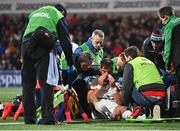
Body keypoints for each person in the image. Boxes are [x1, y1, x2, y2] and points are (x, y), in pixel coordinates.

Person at [21, 4, 73, 124]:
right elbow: (66, 41)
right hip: (43, 46)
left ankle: (29, 118)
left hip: (26, 44)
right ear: (62, 12)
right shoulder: (58, 15)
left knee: (28, 84)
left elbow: (24, 33)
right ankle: (48, 118)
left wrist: (22, 55)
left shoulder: (34, 13)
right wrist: (70, 62)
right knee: (46, 83)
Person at [121, 46, 166, 118]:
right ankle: (156, 106)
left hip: (147, 95)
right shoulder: (149, 61)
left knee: (130, 88)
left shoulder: (130, 64)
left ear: (129, 57)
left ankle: (140, 113)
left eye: (126, 58)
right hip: (162, 94)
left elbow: (126, 87)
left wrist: (124, 104)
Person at [158, 6, 180, 117]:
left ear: (165, 17)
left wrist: (167, 65)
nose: (161, 22)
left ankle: (177, 112)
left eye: (161, 19)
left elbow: (168, 47)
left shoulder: (169, 26)